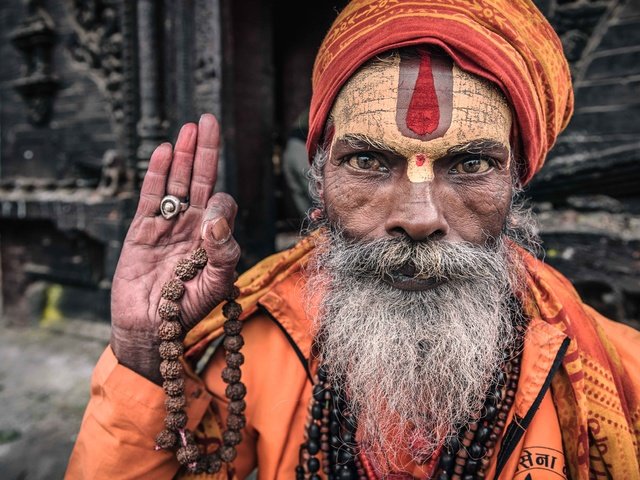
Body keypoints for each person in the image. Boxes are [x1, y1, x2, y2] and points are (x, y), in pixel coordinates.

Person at [66, 1, 640, 479]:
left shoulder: (617, 375)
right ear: (319, 181)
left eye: (469, 164)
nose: (418, 218)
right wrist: (143, 353)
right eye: (367, 160)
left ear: (516, 183)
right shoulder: (246, 346)